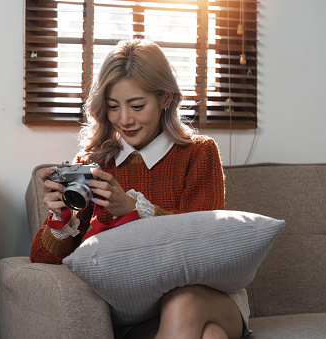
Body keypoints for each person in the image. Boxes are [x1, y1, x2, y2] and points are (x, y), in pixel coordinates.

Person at [30, 39, 251, 339]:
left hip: (206, 299)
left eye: (136, 106)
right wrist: (60, 218)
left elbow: (202, 245)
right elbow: (43, 259)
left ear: (165, 98)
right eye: (112, 107)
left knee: (184, 302)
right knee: (211, 336)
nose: (124, 120)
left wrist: (133, 210)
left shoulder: (199, 154)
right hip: (138, 311)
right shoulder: (94, 164)